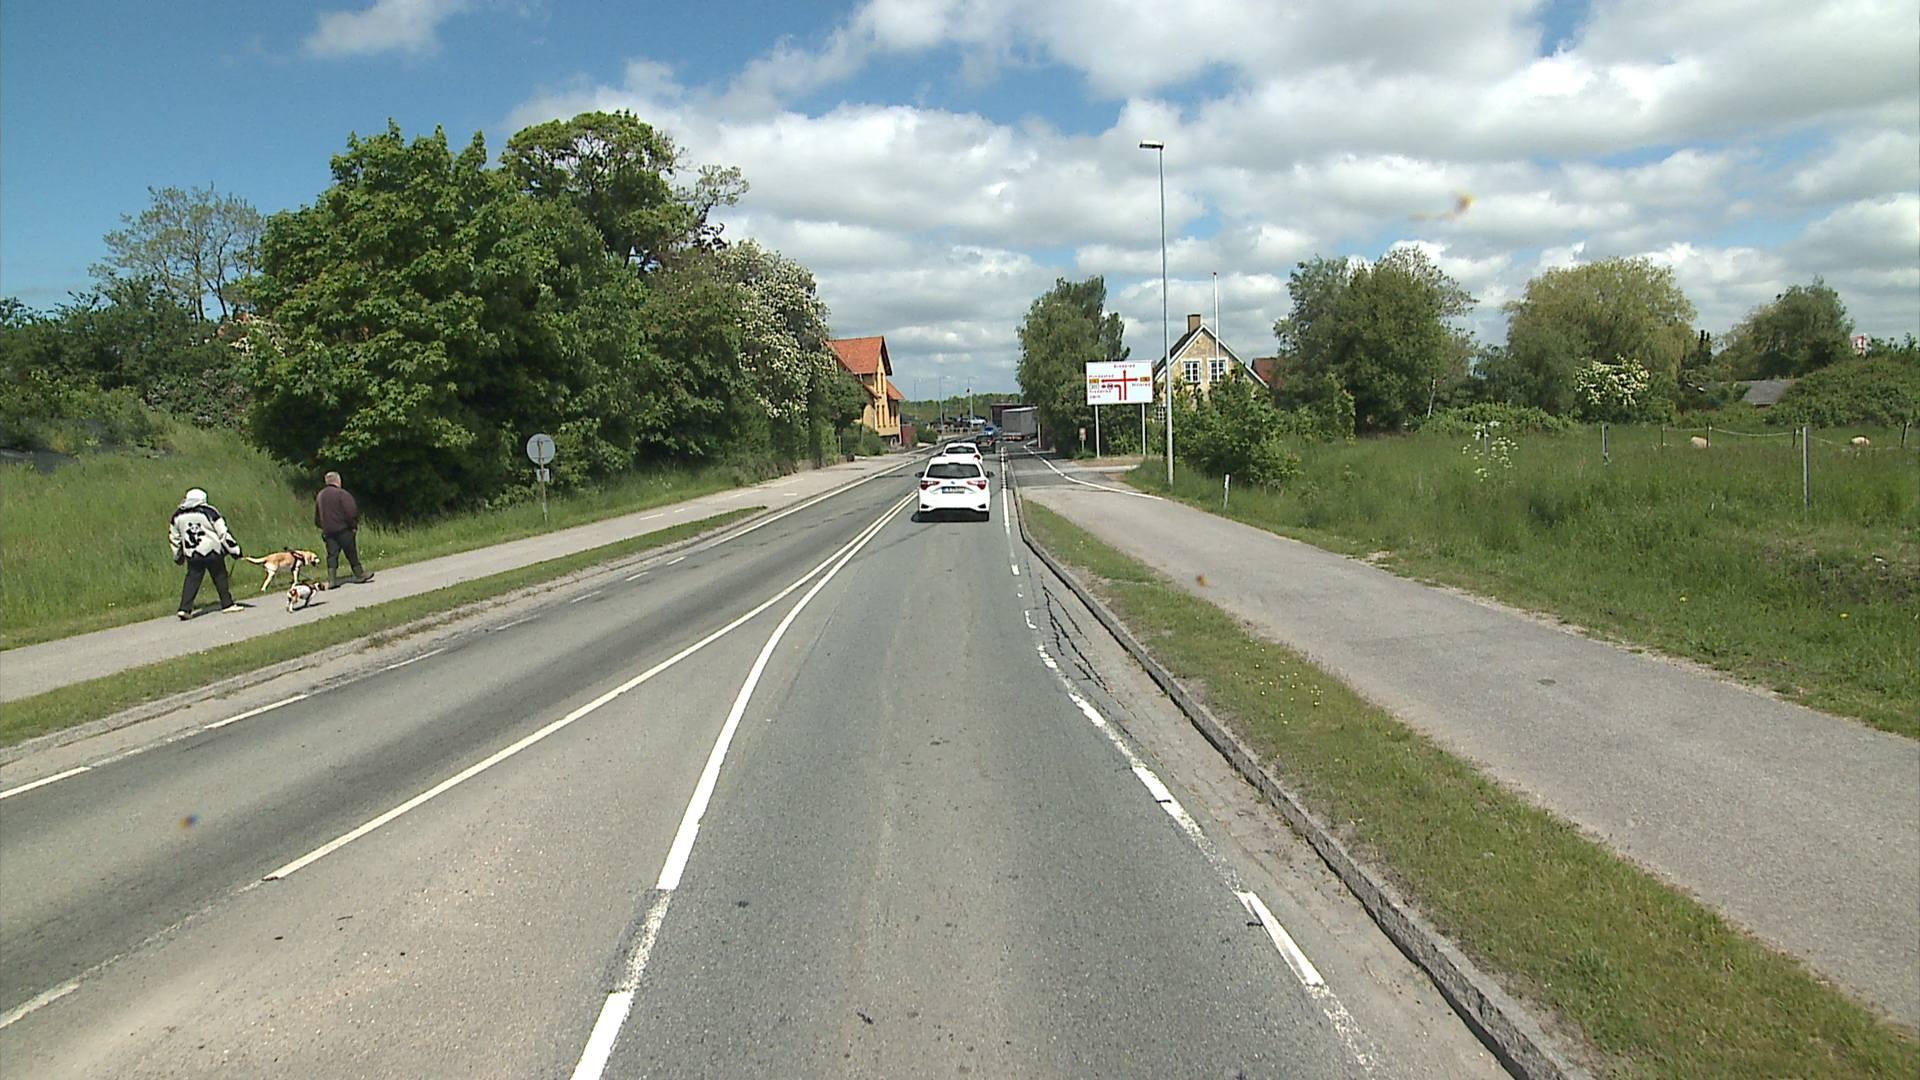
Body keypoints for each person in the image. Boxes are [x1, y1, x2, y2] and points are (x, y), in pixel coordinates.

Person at [170, 488, 244, 619]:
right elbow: (223, 533)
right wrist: (234, 550)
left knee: (192, 579)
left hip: (192, 553)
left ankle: (184, 608)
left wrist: (177, 555)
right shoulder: (209, 511)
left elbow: (175, 537)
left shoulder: (177, 515)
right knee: (220, 575)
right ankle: (227, 604)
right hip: (212, 550)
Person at [315, 471, 374, 586]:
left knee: (332, 555)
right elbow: (351, 511)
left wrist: (322, 526)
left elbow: (317, 515)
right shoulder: (342, 494)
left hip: (328, 531)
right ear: (338, 481)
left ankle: (332, 580)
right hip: (343, 529)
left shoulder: (320, 495)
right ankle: (360, 574)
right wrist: (353, 525)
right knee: (351, 553)